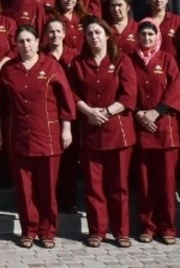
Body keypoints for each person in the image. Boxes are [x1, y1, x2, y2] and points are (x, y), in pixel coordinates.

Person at [0, 24, 75, 249]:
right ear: (16, 44)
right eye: (21, 41)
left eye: (29, 40)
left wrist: (67, 128)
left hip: (47, 135)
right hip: (19, 135)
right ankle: (28, 230)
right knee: (24, 189)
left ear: (37, 42)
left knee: (47, 188)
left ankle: (47, 231)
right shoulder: (9, 69)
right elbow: (1, 104)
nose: (25, 45)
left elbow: (66, 100)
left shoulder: (51, 66)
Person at [68, 18, 137, 248]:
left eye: (98, 32)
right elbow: (72, 93)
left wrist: (106, 112)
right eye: (89, 34)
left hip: (117, 132)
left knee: (119, 186)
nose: (94, 37)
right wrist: (88, 112)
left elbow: (129, 95)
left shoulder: (122, 60)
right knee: (93, 186)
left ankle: (121, 232)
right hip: (90, 131)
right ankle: (97, 231)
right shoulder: (78, 63)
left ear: (107, 35)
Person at [130, 19, 180, 245]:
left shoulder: (167, 60)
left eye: (151, 34)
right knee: (145, 183)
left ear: (157, 36)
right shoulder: (130, 61)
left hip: (164, 129)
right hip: (141, 128)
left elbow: (174, 89)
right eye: (143, 34)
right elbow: (126, 89)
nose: (147, 38)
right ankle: (147, 225)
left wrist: (156, 112)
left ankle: (167, 226)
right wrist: (139, 113)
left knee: (166, 183)